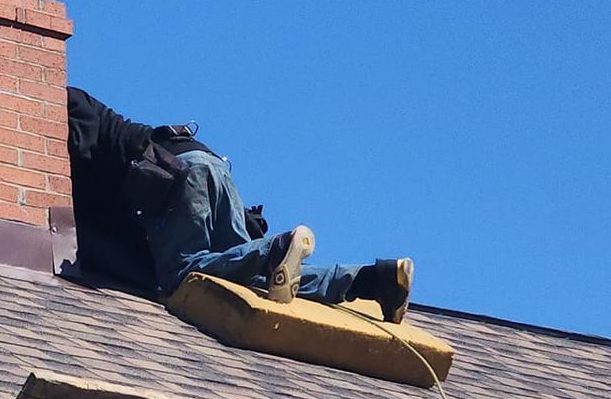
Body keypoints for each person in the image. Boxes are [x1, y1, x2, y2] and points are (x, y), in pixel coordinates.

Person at [67, 86, 414, 322]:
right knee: (250, 279)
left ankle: (274, 249)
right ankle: (370, 280)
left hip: (174, 174)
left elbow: (63, 156)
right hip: (208, 165)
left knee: (185, 277)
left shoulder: (64, 102)